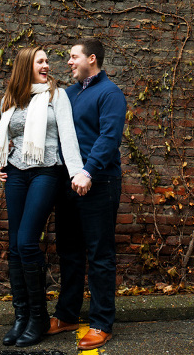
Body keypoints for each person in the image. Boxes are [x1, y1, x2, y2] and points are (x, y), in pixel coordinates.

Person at [0, 45, 85, 348]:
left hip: (47, 171)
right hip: (17, 173)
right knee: (15, 244)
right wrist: (0, 164)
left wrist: (77, 174)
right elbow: (6, 137)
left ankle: (39, 317)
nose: (47, 65)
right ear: (26, 66)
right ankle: (21, 317)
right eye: (40, 61)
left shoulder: (56, 95)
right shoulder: (11, 98)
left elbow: (68, 136)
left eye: (47, 61)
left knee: (28, 241)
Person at [47, 37, 127, 350]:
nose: (68, 62)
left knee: (100, 255)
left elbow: (109, 138)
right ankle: (67, 315)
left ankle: (101, 322)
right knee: (68, 252)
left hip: (99, 183)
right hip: (69, 185)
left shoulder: (110, 93)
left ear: (91, 59)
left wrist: (87, 171)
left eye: (73, 57)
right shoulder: (68, 94)